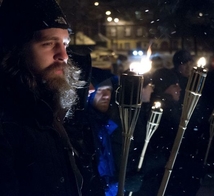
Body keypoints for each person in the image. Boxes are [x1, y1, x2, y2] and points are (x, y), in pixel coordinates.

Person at [0, 0, 85, 195]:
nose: (63, 55)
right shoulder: (8, 122)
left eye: (65, 44)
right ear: (15, 50)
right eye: (48, 44)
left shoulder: (48, 111)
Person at [65, 68, 122, 196]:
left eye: (109, 90)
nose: (106, 95)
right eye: (100, 90)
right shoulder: (81, 127)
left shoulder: (109, 124)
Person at [133, 68, 182, 196]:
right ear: (164, 87)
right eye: (174, 85)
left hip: (158, 168)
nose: (179, 89)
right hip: (154, 171)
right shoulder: (160, 110)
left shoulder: (171, 107)